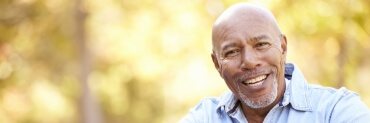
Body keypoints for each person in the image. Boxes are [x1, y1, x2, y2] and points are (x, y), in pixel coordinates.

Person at [181, 3, 370, 123]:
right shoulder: (204, 117)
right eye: (232, 52)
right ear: (216, 64)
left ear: (283, 47)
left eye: (261, 44)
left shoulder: (336, 110)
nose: (249, 61)